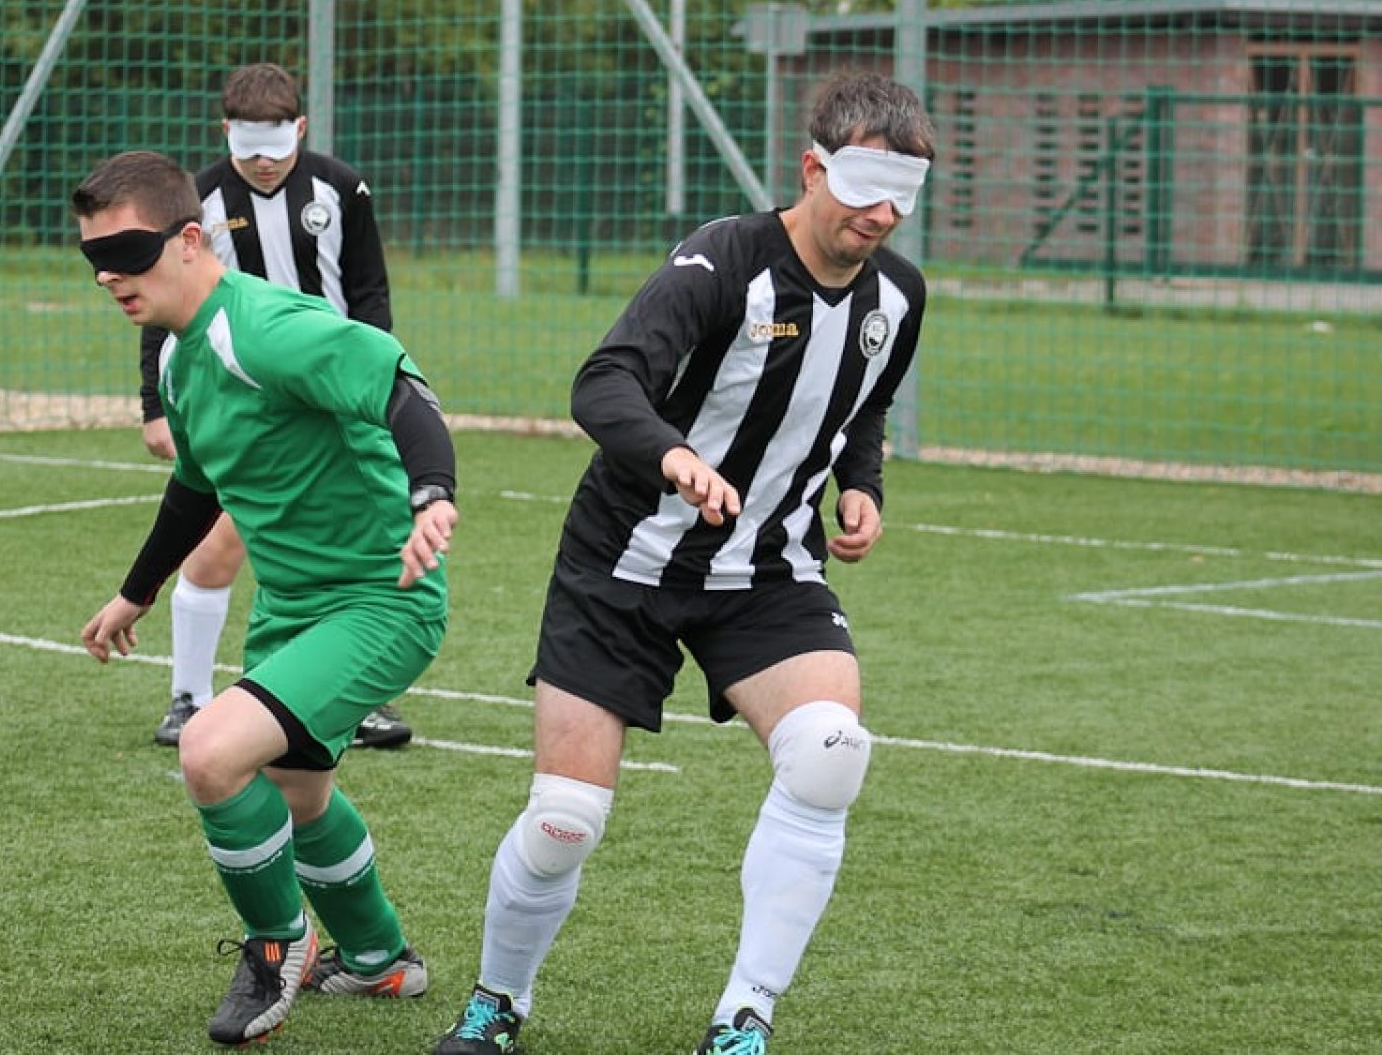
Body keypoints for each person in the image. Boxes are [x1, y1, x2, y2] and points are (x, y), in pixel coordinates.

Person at [431, 71, 935, 1055]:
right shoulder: (722, 264)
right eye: (867, 185)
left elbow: (862, 402)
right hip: (625, 564)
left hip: (770, 569)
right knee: (565, 818)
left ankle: (744, 1014)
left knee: (830, 754)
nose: (883, 213)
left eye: (904, 194)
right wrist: (672, 454)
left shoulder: (899, 298)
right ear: (813, 166)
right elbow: (605, 380)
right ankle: (498, 1002)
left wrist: (859, 486)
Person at [73, 149, 460, 1047]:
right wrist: (136, 593)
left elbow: (401, 387)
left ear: (190, 239)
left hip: (382, 599)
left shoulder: (265, 326)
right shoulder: (178, 358)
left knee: (210, 752)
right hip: (292, 608)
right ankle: (380, 960)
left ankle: (278, 943)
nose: (109, 273)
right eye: (94, 255)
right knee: (298, 796)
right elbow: (199, 488)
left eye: (128, 249)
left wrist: (431, 493)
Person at [139, 61, 413, 751]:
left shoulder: (341, 187)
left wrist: (374, 381)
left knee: (350, 541)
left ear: (300, 128)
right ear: (225, 131)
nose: (263, 164)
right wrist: (154, 404)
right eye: (247, 148)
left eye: (277, 147)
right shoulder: (195, 200)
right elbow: (161, 306)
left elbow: (368, 290)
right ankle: (188, 696)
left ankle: (356, 693)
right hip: (243, 399)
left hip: (330, 395)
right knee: (218, 543)